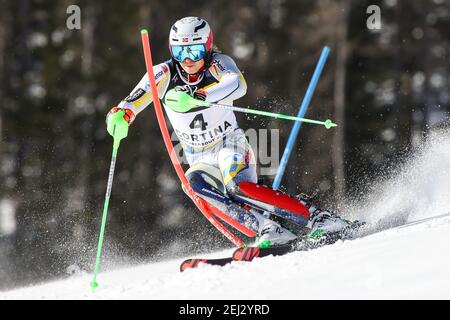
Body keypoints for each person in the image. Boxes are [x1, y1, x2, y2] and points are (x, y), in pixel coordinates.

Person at [106, 16, 354, 247]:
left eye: (194, 50)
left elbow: (237, 84)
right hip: (197, 156)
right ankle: (268, 229)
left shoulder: (219, 64)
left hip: (229, 144)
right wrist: (120, 116)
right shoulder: (163, 73)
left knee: (237, 187)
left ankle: (317, 218)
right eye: (180, 51)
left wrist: (199, 96)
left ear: (207, 46)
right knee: (195, 188)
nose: (188, 59)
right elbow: (133, 100)